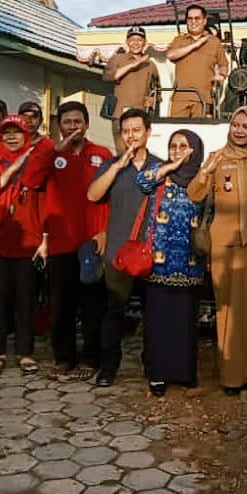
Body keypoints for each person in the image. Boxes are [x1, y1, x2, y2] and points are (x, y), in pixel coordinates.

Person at [189, 106, 247, 395]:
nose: (240, 131)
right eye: (235, 125)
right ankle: (231, 375)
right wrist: (206, 169)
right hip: (225, 244)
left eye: (246, 126)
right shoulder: (218, 157)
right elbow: (195, 194)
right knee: (227, 309)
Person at [24, 101, 111, 381]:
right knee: (61, 305)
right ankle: (63, 358)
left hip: (91, 242)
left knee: (92, 305)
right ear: (58, 126)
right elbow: (30, 179)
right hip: (61, 242)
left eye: (77, 121)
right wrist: (52, 152)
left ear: (86, 124)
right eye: (67, 122)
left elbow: (110, 197)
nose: (73, 127)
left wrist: (105, 232)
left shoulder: (101, 154)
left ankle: (90, 358)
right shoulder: (49, 153)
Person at [86, 107, 162, 388]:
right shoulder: (111, 165)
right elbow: (93, 195)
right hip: (118, 252)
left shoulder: (159, 166)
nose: (131, 136)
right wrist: (118, 166)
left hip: (150, 253)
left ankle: (153, 366)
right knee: (113, 313)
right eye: (126, 131)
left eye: (136, 130)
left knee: (153, 315)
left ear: (147, 132)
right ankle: (108, 367)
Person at [136, 129, 208, 396]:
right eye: (174, 145)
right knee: (158, 320)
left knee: (185, 321)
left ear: (195, 150)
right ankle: (157, 374)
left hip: (190, 263)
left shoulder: (202, 178)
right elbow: (141, 181)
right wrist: (171, 166)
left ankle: (184, 373)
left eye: (184, 146)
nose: (177, 150)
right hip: (158, 261)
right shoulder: (159, 174)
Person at [0, 115, 45, 377]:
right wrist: (8, 172)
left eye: (17, 132)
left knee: (26, 299)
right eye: (7, 133)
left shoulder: (36, 164)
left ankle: (24, 352)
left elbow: (44, 202)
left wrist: (44, 238)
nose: (12, 137)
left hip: (28, 240)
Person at [165, 4, 228, 118]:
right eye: (190, 19)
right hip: (180, 98)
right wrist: (195, 45)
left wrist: (221, 76)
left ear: (204, 21)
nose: (193, 22)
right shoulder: (179, 40)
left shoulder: (214, 42)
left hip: (203, 98)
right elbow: (171, 55)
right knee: (177, 131)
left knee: (200, 133)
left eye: (197, 18)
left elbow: (224, 64)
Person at [105, 25, 158, 114]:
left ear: (145, 42)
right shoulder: (117, 58)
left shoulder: (150, 65)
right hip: (120, 113)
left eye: (139, 40)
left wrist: (152, 100)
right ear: (127, 42)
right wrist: (132, 65)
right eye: (132, 40)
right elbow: (108, 77)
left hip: (141, 114)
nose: (136, 43)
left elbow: (156, 91)